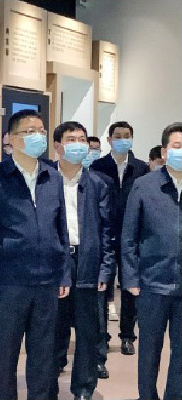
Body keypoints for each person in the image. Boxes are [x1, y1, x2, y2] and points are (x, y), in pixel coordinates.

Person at [0, 109, 71, 400]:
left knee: (43, 352)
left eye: (40, 131)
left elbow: (61, 229)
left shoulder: (52, 177)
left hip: (47, 280)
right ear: (12, 139)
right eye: (29, 132)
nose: (37, 136)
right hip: (9, 281)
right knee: (7, 352)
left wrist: (63, 273)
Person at [49, 122, 114, 400]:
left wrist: (106, 268)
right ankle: (48, 383)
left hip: (88, 264)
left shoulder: (98, 184)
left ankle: (84, 388)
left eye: (82, 139)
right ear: (58, 146)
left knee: (88, 331)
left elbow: (108, 231)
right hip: (54, 265)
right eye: (71, 139)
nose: (78, 144)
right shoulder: (44, 180)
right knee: (52, 329)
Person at [122, 122, 182, 400]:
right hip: (152, 283)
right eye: (177, 146)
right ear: (165, 151)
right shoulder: (144, 186)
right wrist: (131, 277)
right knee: (149, 349)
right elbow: (129, 236)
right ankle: (147, 396)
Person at [90, 121, 149, 356]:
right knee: (103, 287)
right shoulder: (98, 166)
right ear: (109, 140)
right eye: (118, 136)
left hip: (132, 236)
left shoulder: (141, 168)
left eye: (127, 136)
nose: (122, 140)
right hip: (105, 233)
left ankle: (127, 335)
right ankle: (101, 335)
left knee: (129, 287)